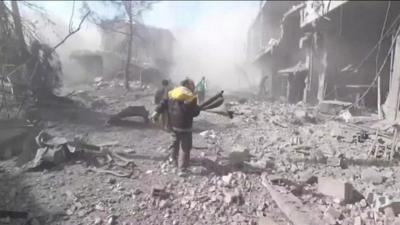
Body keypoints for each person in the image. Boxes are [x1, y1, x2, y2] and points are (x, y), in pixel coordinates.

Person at [151, 78, 201, 176]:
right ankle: (182, 169)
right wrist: (198, 109)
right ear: (188, 85)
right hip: (185, 126)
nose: (193, 87)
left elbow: (163, 103)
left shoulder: (172, 92)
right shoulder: (191, 96)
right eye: (192, 85)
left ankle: (172, 159)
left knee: (175, 141)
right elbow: (194, 113)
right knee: (185, 147)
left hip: (173, 125)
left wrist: (156, 112)